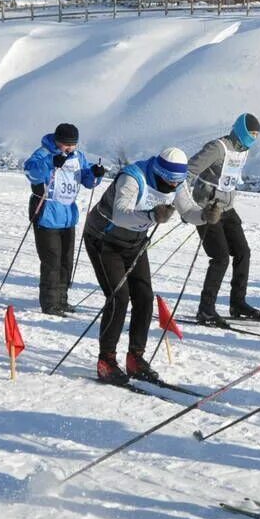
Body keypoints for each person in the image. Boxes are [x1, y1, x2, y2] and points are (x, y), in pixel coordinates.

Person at [83, 147, 188, 388]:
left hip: (134, 242)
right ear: (159, 172)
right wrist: (152, 216)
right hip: (104, 238)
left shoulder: (178, 183)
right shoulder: (133, 177)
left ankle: (135, 358)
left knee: (144, 297)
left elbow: (190, 210)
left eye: (178, 181)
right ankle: (106, 360)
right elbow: (121, 214)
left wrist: (207, 214)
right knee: (118, 297)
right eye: (169, 180)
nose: (173, 186)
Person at [176, 114, 260, 329]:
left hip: (227, 208)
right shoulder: (218, 148)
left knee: (243, 252)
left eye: (257, 135)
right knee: (220, 258)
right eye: (251, 134)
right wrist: (185, 206)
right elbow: (188, 171)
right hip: (206, 209)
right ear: (242, 131)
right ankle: (205, 309)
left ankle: (238, 304)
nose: (254, 138)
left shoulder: (243, 151)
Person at [24, 123, 102, 315]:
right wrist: (51, 162)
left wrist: (95, 174)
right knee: (52, 259)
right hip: (46, 213)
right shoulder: (43, 153)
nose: (68, 148)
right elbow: (31, 172)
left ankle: (62, 299)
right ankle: (50, 303)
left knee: (66, 260)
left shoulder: (78, 157)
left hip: (68, 215)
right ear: (57, 141)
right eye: (65, 144)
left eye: (72, 145)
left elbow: (87, 180)